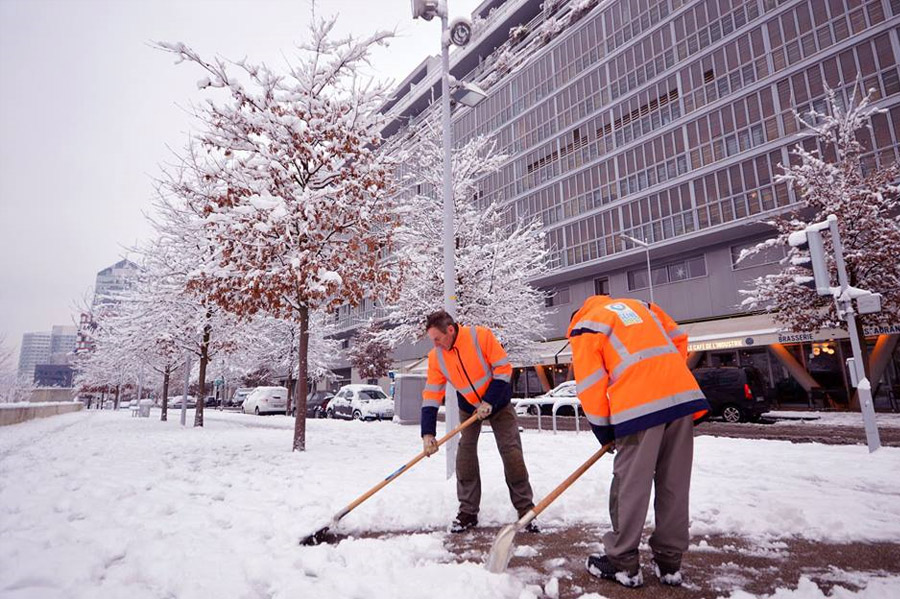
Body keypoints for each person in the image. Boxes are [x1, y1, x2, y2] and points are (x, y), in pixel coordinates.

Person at [567, 295, 709, 588]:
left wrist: (604, 431)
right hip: (681, 398)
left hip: (639, 407)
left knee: (630, 485)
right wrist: (662, 378)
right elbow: (679, 340)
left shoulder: (584, 326)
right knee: (674, 483)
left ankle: (622, 563)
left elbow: (591, 384)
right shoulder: (641, 306)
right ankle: (670, 563)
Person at [420, 310, 538, 533]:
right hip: (469, 407)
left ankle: (526, 510)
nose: (435, 344)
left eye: (437, 338)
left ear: (451, 330)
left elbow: (503, 369)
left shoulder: (480, 336)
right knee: (465, 453)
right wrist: (428, 433)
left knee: (511, 451)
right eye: (432, 340)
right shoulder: (437, 357)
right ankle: (468, 512)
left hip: (499, 403)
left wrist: (489, 401)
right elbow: (432, 393)